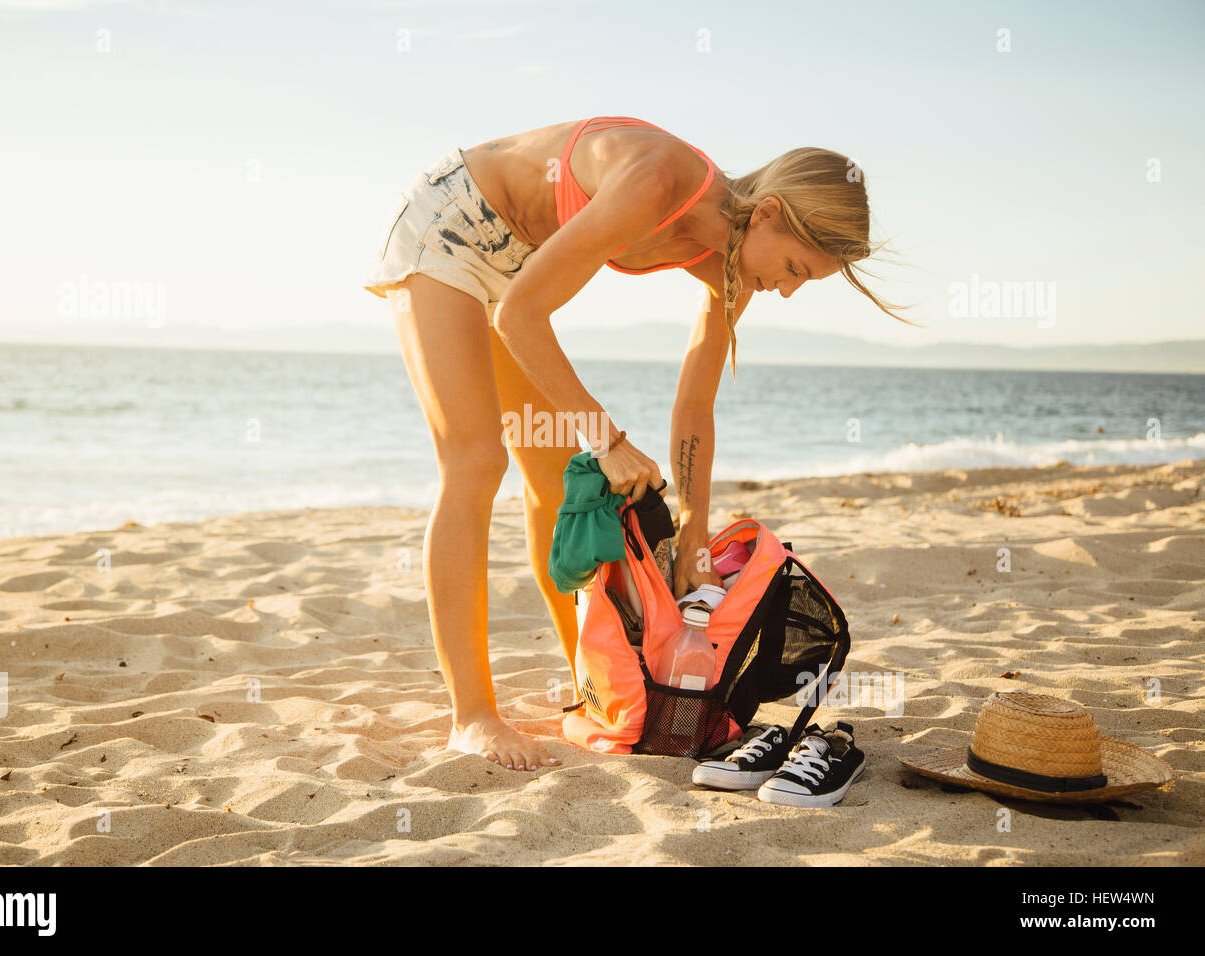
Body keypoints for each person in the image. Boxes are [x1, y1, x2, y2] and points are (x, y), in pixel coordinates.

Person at [361, 116, 901, 772]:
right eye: (793, 268)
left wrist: (695, 533)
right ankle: (472, 717)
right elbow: (521, 316)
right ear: (767, 213)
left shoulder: (731, 268)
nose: (785, 290)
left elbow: (695, 404)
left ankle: (595, 694)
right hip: (451, 223)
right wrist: (607, 439)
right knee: (476, 460)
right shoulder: (658, 180)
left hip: (518, 266)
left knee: (555, 484)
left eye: (803, 282)